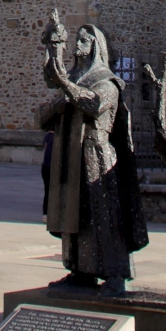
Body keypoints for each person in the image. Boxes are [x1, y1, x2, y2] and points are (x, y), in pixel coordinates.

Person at [40, 23, 148, 295]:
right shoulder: (75, 79)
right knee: (75, 215)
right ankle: (80, 271)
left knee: (105, 215)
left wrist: (66, 85)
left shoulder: (107, 82)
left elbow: (94, 104)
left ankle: (115, 274)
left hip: (98, 158)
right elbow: (46, 107)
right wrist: (53, 49)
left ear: (96, 47)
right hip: (71, 156)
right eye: (77, 40)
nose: (78, 46)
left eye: (84, 41)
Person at [41, 128, 54, 223]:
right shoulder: (53, 136)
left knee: (48, 191)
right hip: (51, 167)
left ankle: (46, 214)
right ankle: (48, 213)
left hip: (46, 166)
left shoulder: (48, 136)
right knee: (50, 191)